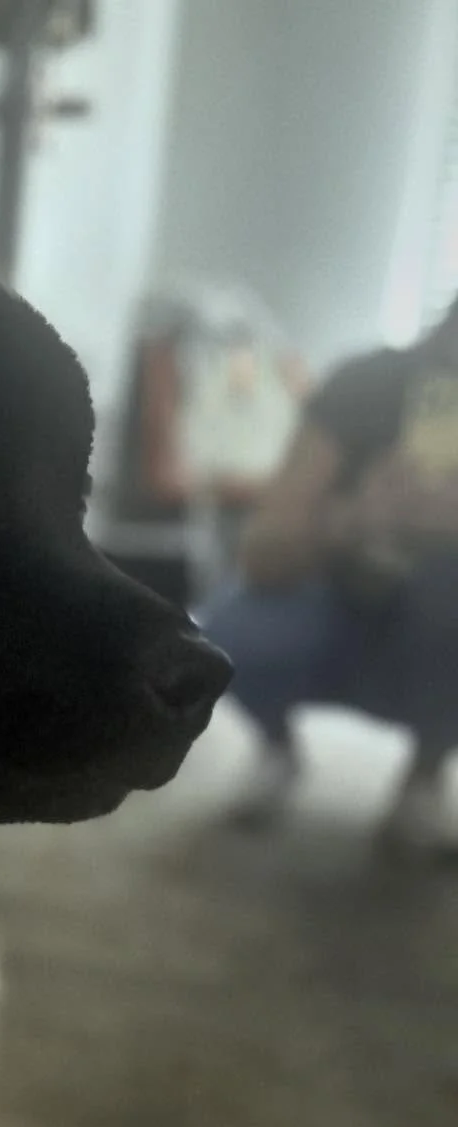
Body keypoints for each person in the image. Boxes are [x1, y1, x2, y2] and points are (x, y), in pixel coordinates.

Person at [205, 299, 458, 851]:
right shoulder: (369, 386)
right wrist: (356, 520)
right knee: (229, 633)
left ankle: (425, 773)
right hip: (333, 601)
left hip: (438, 626)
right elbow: (261, 554)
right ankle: (277, 751)